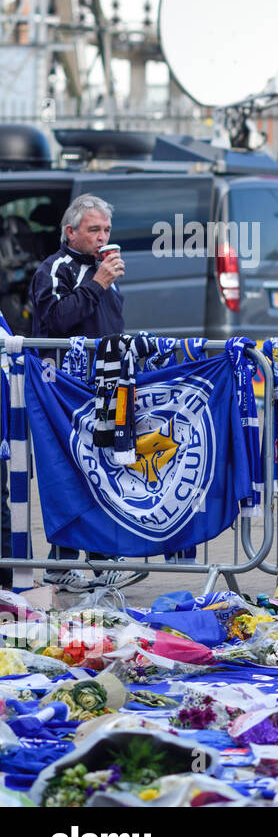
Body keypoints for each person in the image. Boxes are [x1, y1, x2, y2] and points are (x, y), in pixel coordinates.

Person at [29, 194, 146, 591]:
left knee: (102, 471)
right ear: (71, 232)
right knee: (72, 473)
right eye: (94, 230)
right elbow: (55, 320)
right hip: (62, 389)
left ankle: (84, 562)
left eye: (107, 231)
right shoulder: (56, 269)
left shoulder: (105, 275)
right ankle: (79, 563)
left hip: (105, 386)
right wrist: (98, 283)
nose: (102, 238)